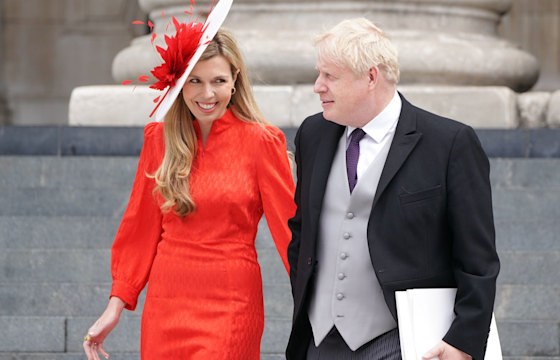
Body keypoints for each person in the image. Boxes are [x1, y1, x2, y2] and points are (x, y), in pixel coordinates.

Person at [286, 18, 500, 360]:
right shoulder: (313, 134)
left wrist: (463, 340)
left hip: (404, 340)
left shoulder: (449, 143)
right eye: (319, 74)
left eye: (330, 76)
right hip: (319, 339)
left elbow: (478, 258)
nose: (317, 86)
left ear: (371, 77)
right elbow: (301, 232)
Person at [82, 25, 296, 360]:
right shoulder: (159, 139)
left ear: (235, 79)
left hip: (232, 302)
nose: (206, 94)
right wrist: (115, 305)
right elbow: (139, 227)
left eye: (218, 81)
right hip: (166, 304)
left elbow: (290, 231)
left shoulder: (262, 142)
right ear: (179, 82)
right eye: (194, 81)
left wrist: (317, 299)